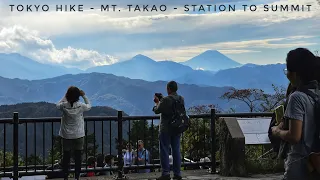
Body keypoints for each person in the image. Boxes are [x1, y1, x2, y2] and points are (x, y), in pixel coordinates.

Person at [271, 48, 320, 180]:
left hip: (300, 165)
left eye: (288, 71)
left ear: (295, 74)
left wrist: (276, 131)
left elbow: (294, 136)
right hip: (316, 162)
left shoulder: (297, 97)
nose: (287, 75)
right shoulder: (317, 92)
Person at [57, 86, 91, 180]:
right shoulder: (81, 106)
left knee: (66, 156)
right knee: (78, 156)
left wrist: (65, 96)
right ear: (78, 96)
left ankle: (65, 176)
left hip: (66, 135)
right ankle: (77, 176)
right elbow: (89, 106)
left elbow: (57, 105)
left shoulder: (63, 106)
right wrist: (84, 96)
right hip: (79, 134)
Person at [153, 81, 184, 180]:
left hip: (166, 129)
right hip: (177, 128)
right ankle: (177, 173)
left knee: (164, 150)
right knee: (176, 151)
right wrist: (162, 100)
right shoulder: (181, 99)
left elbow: (157, 110)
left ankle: (166, 173)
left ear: (168, 89)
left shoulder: (165, 100)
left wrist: (157, 102)